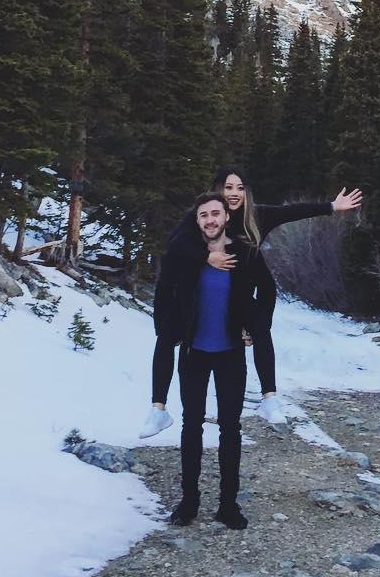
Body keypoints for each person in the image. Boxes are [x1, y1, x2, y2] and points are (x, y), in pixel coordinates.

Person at [140, 168, 361, 436]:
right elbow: (175, 245)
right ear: (217, 190)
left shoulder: (256, 216)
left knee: (260, 323)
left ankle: (269, 398)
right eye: (228, 187)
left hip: (242, 288)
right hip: (199, 294)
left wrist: (331, 206)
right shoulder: (205, 214)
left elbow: (292, 212)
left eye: (240, 187)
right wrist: (205, 257)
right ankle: (158, 409)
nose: (234, 193)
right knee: (165, 335)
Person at [152, 191, 266, 529]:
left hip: (231, 353)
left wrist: (255, 329)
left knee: (231, 428)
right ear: (197, 220)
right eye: (204, 215)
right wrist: (165, 333)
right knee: (192, 425)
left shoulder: (243, 253)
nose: (211, 220)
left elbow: (266, 292)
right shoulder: (186, 254)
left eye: (216, 213)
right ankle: (189, 502)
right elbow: (164, 291)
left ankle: (228, 505)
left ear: (226, 216)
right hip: (194, 353)